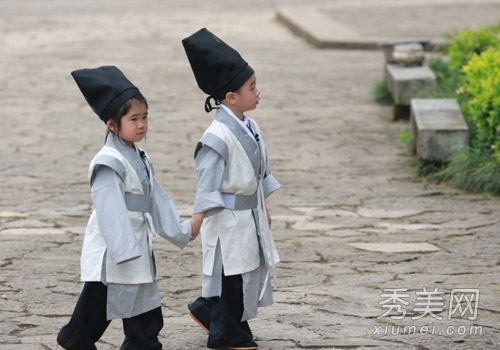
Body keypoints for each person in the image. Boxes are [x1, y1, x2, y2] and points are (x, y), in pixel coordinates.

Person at [57, 65, 194, 350]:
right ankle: (74, 340)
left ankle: (142, 343)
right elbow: (109, 210)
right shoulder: (108, 161)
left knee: (144, 296)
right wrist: (124, 250)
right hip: (115, 247)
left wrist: (179, 230)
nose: (142, 124)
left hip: (138, 240)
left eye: (145, 117)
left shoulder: (139, 154)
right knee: (99, 300)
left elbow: (156, 197)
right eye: (133, 119)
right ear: (111, 124)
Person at [182, 28, 281, 350]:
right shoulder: (216, 138)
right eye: (252, 87)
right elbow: (207, 183)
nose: (258, 92)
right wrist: (197, 218)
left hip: (248, 214)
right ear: (231, 97)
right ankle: (227, 334)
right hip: (226, 218)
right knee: (232, 276)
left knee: (244, 272)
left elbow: (261, 172)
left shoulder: (251, 127)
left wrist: (262, 206)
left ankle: (208, 311)